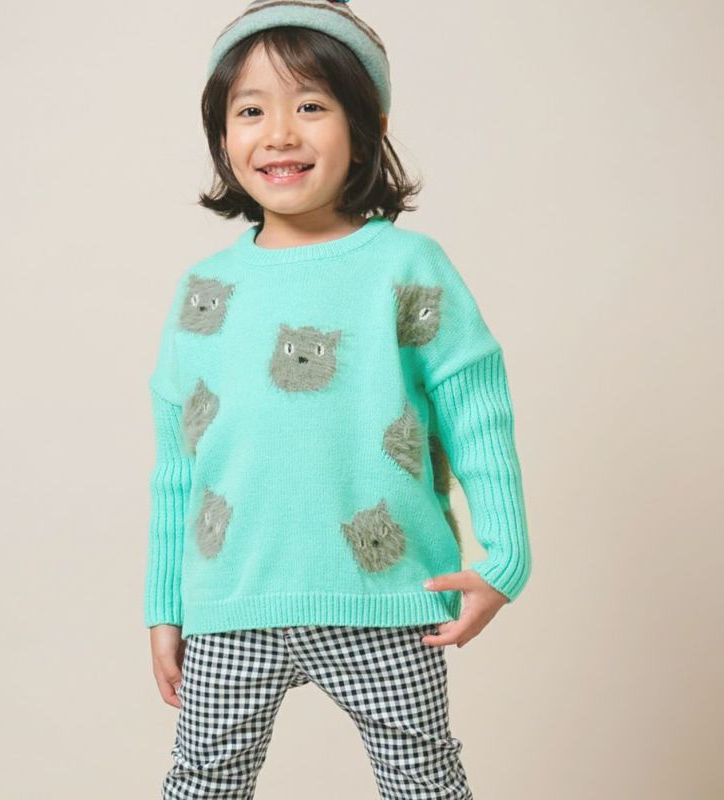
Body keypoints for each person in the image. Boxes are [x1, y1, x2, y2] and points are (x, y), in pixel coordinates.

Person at [144, 1, 532, 797]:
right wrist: (164, 603)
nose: (280, 133)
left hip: (388, 600)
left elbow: (476, 412)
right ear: (222, 134)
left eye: (312, 106)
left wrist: (505, 559)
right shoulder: (203, 291)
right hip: (232, 604)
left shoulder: (408, 267)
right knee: (202, 783)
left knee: (424, 782)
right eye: (251, 110)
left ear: (368, 125)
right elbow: (177, 464)